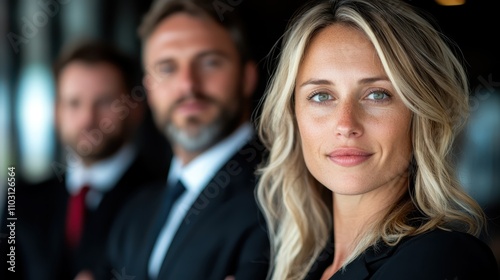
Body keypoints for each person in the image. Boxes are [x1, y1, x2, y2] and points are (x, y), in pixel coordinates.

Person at [256, 0, 500, 279]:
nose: (346, 125)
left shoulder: (442, 260)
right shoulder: (308, 264)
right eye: (322, 96)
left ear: (420, 114)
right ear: (293, 115)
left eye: (377, 94)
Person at [104, 0, 270, 279]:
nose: (188, 85)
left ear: (247, 77)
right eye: (167, 68)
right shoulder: (135, 211)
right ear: (149, 89)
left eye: (209, 62)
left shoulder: (283, 199)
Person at [1, 40, 167, 280]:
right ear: (56, 112)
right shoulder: (21, 199)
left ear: (136, 109)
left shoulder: (162, 196)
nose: (88, 118)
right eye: (74, 103)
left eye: (104, 102)